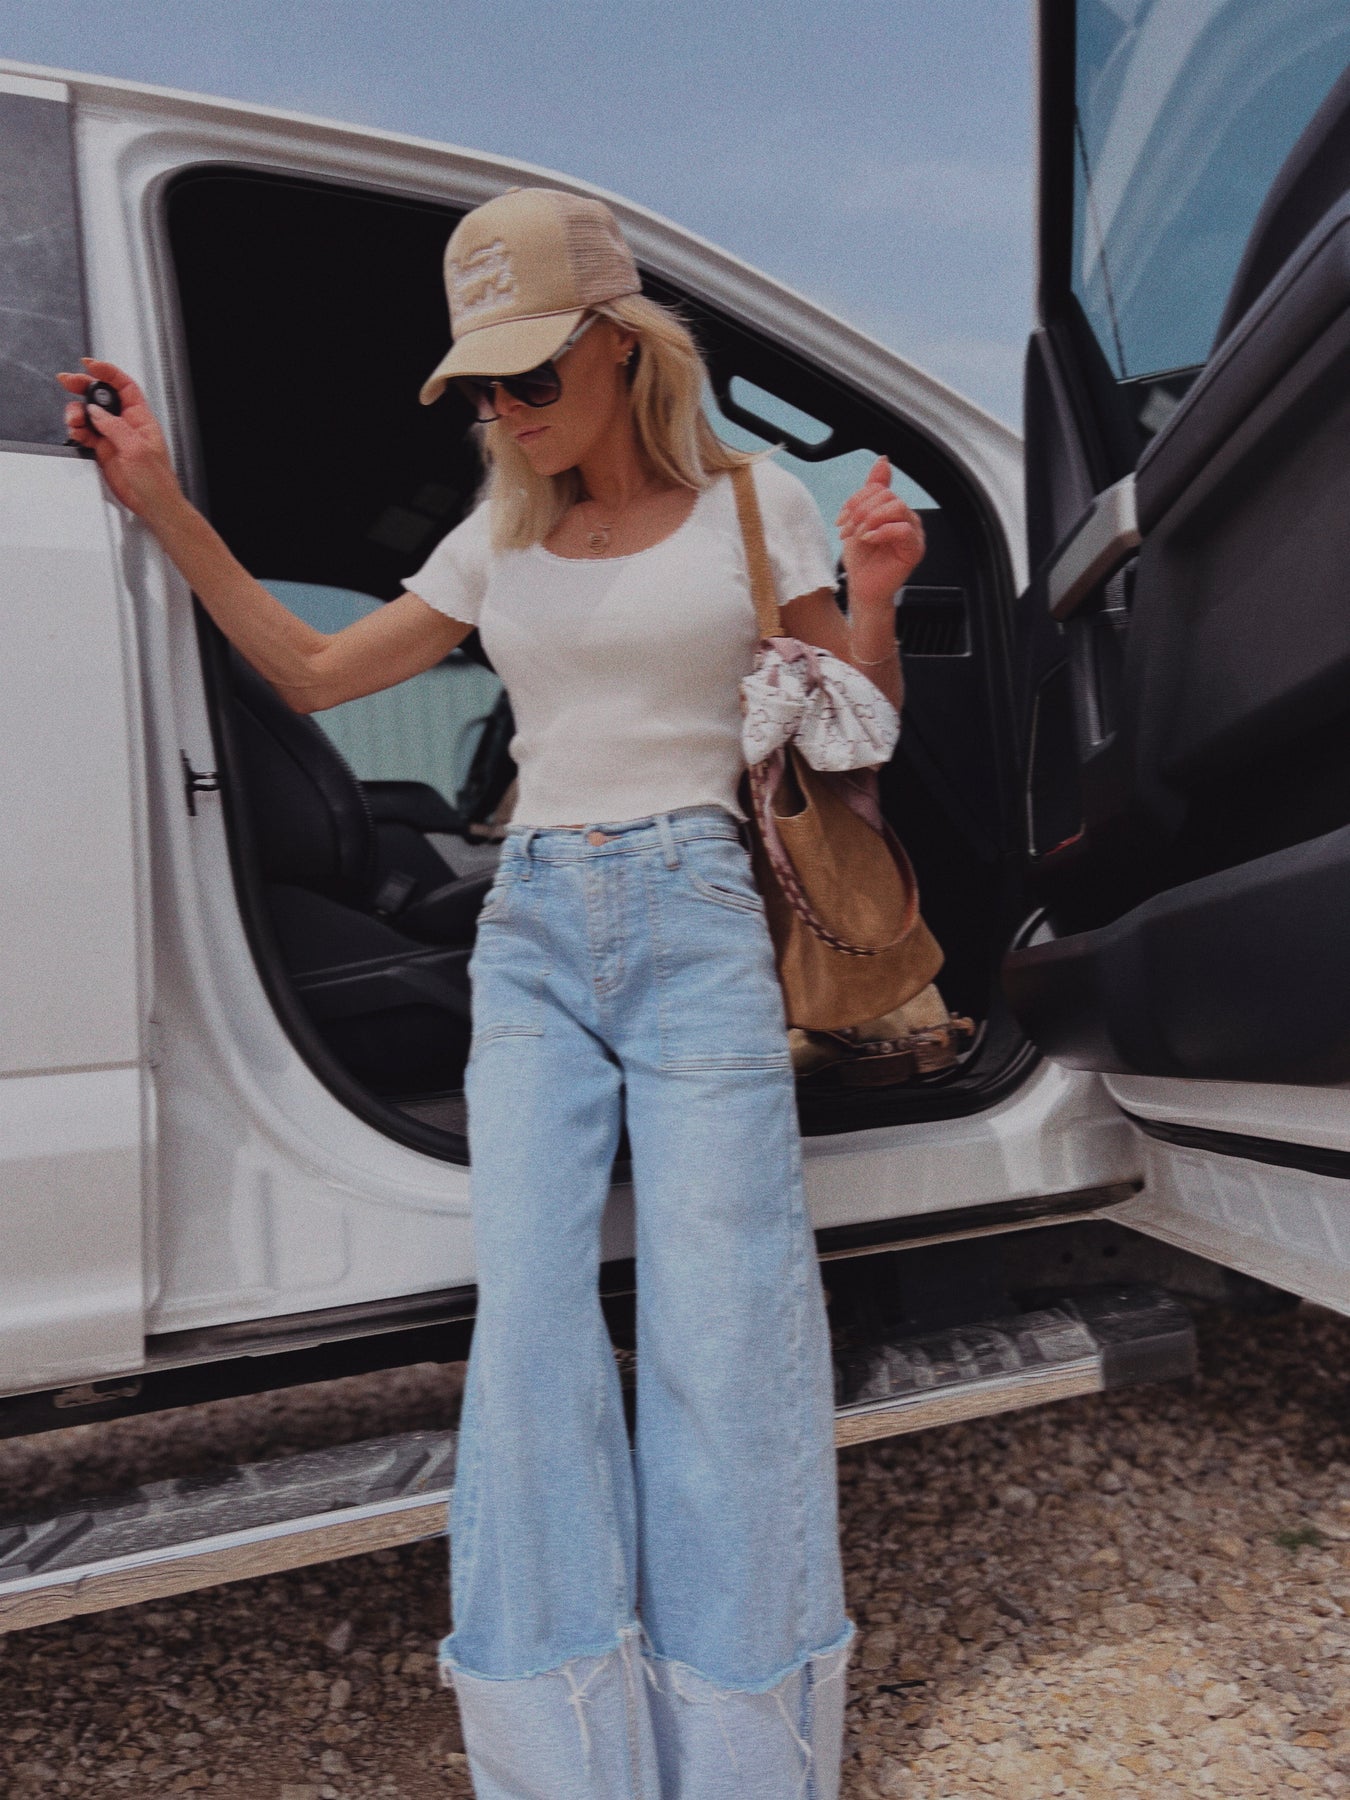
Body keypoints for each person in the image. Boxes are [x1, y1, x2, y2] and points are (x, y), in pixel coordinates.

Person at [57, 183, 927, 1800]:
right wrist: (161, 499)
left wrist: (872, 597)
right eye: (481, 388)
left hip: (696, 920)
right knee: (526, 1329)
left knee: (726, 1329)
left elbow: (845, 724)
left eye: (532, 375)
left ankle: (745, 1761)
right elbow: (314, 673)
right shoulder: (498, 536)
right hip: (529, 928)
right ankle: (563, 1761)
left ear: (621, 348)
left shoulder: (756, 507)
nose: (508, 412)